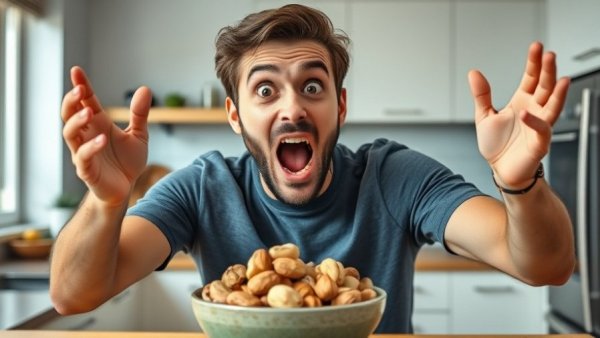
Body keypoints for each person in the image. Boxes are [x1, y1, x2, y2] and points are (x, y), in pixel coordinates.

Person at [50, 4, 575, 333]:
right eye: (264, 89)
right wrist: (106, 201)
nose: (292, 108)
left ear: (340, 108)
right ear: (235, 115)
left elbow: (543, 266)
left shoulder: (394, 177)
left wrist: (518, 182)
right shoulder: (204, 188)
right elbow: (73, 296)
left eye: (312, 86)